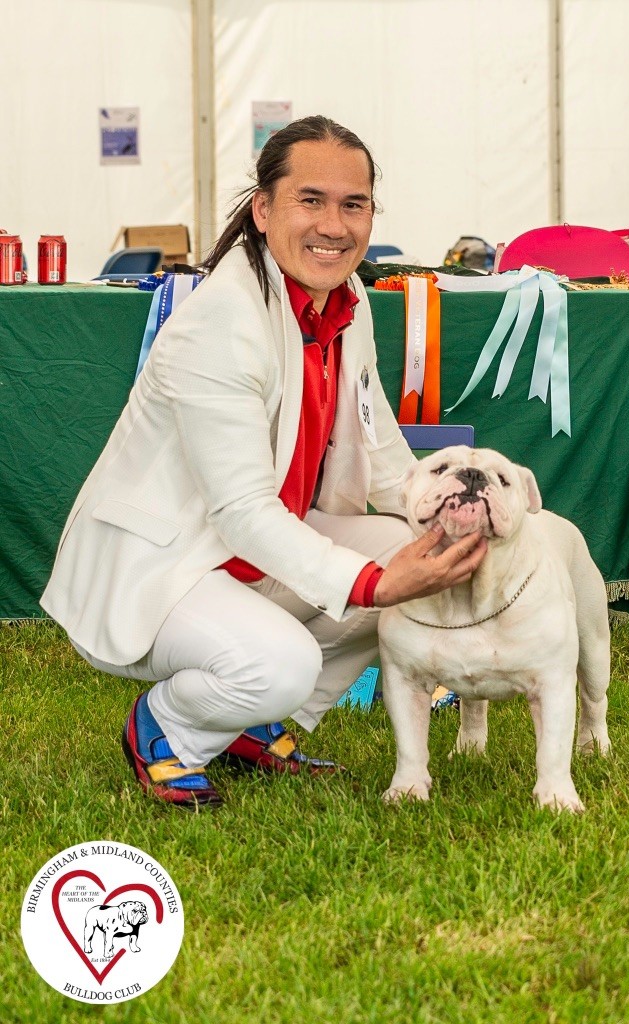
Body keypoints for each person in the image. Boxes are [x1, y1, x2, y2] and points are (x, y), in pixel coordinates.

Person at [41, 115, 486, 809]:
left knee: (412, 550)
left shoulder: (348, 300)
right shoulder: (223, 320)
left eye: (353, 204)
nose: (333, 225)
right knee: (288, 657)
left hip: (248, 551)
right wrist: (371, 583)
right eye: (310, 200)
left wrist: (458, 520)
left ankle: (251, 729)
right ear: (263, 208)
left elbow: (379, 449)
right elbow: (243, 511)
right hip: (167, 565)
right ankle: (168, 730)